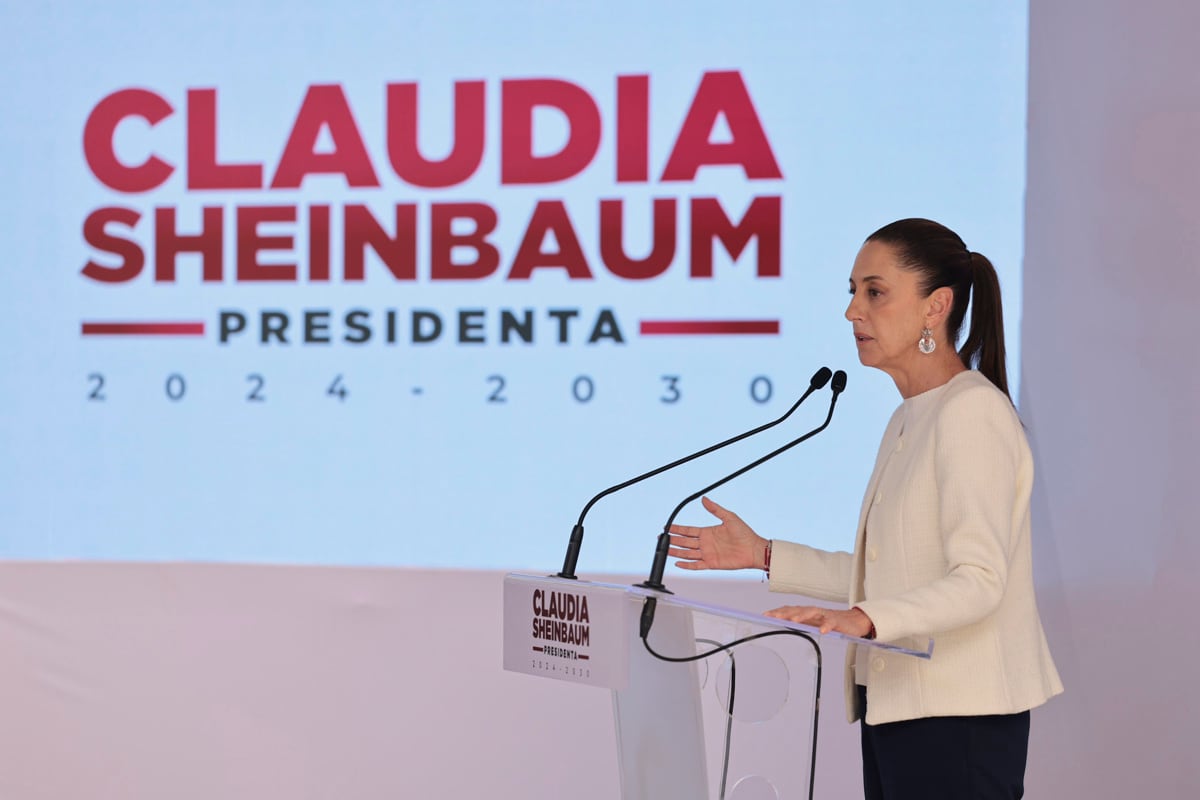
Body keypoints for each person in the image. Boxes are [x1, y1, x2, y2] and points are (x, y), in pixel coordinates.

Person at [667, 218, 1063, 800]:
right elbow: (893, 572)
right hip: (901, 709)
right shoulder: (911, 415)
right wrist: (765, 555)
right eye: (851, 291)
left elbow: (981, 582)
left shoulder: (971, 412)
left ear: (937, 307)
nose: (853, 311)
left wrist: (866, 620)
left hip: (959, 720)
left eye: (874, 292)